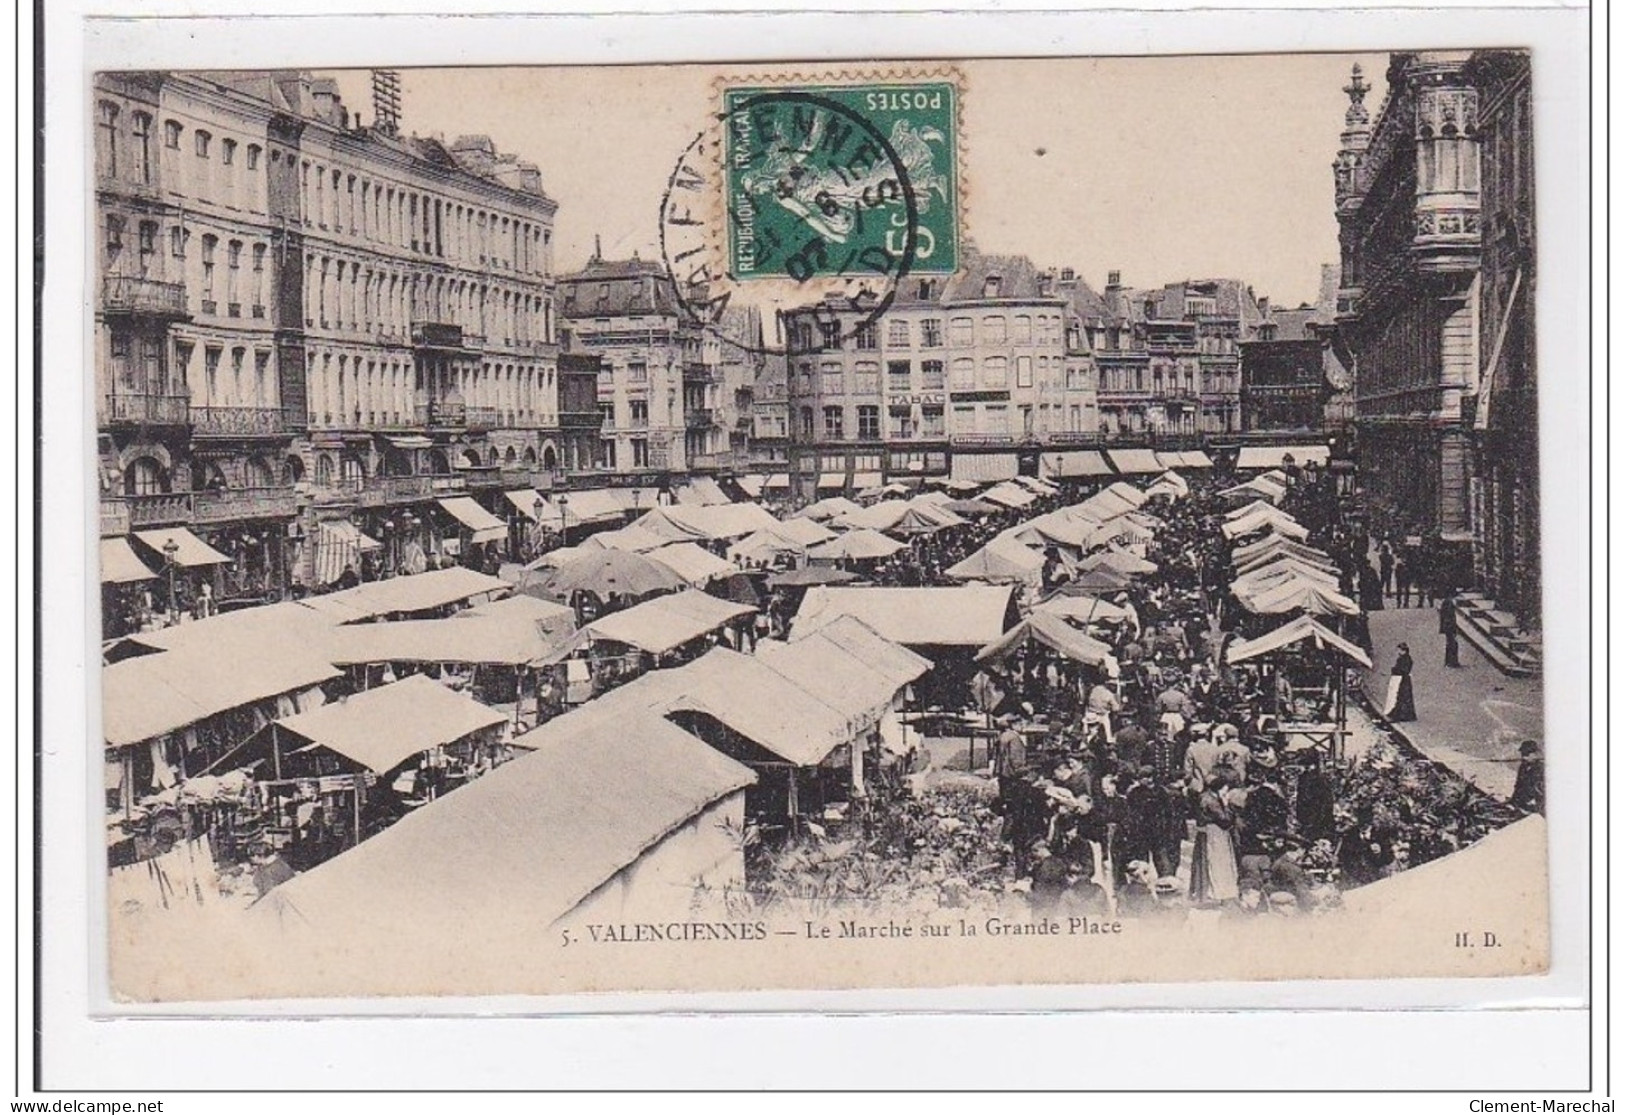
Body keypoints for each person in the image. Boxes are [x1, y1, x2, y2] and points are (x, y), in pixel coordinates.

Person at [1189, 771, 1241, 906]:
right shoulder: (1212, 801)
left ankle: (1208, 892)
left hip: (1209, 833)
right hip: (1216, 835)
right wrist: (1226, 804)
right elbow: (1225, 819)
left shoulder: (1205, 797)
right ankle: (1218, 892)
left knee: (1209, 863)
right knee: (1218, 863)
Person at [1510, 739, 1544, 814]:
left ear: (1535, 754)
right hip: (1521, 805)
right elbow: (1518, 786)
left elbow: (1540, 792)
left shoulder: (1541, 769)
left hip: (1535, 808)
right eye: (1523, 754)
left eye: (1527, 754)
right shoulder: (1522, 767)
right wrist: (1513, 801)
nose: (1524, 757)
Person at [1387, 642, 1417, 722]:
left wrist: (1394, 670)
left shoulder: (1405, 659)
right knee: (1403, 697)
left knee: (1402, 697)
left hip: (1404, 681)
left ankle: (1401, 715)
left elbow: (1404, 670)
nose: (1398, 652)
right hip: (1404, 680)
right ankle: (1403, 714)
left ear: (1403, 651)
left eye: (1399, 650)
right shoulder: (1404, 658)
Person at [1439, 590, 1461, 668]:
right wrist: (1453, 627)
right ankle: (1452, 661)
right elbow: (1448, 616)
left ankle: (1449, 661)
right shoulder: (1448, 603)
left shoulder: (1446, 602)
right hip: (1449, 626)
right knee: (1452, 643)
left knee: (1450, 643)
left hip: (1447, 626)